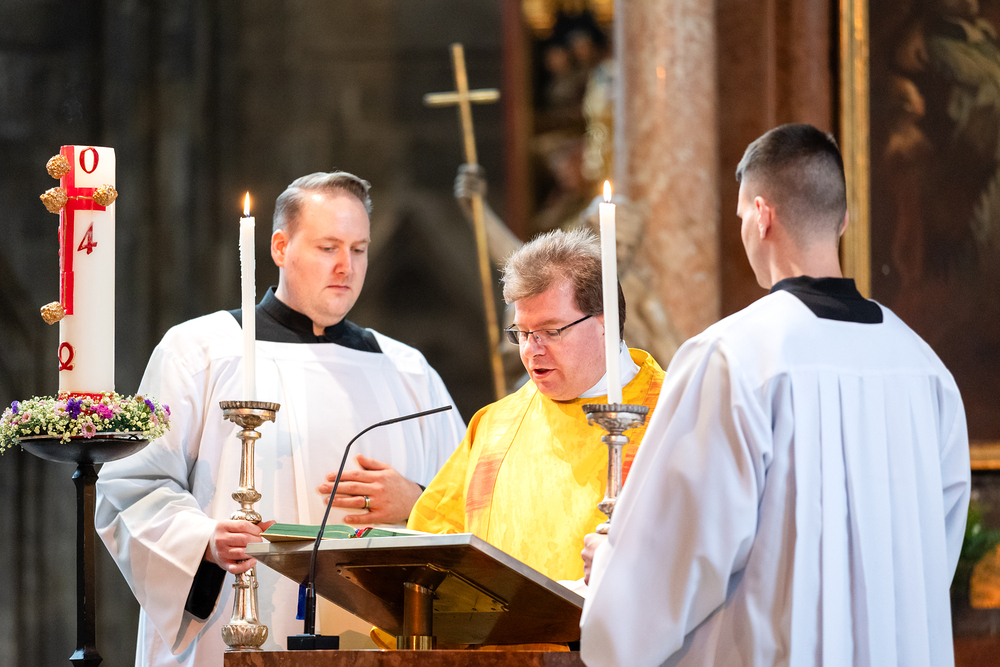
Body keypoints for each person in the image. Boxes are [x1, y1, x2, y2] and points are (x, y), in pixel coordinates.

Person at [580, 124, 971, 666]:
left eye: (742, 215)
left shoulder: (733, 357)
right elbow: (934, 553)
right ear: (843, 221)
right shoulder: (926, 371)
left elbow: (670, 566)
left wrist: (610, 570)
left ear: (761, 216)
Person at [96, 172, 465, 666]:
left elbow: (474, 506)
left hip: (376, 641)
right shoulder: (201, 350)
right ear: (280, 247)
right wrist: (201, 541)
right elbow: (132, 486)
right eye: (328, 247)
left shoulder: (408, 371)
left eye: (358, 249)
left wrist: (417, 500)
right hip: (234, 622)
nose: (346, 266)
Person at [407, 227, 665, 583]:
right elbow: (432, 546)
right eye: (522, 333)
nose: (531, 350)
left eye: (550, 331)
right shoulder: (496, 426)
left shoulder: (673, 414)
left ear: (604, 324)